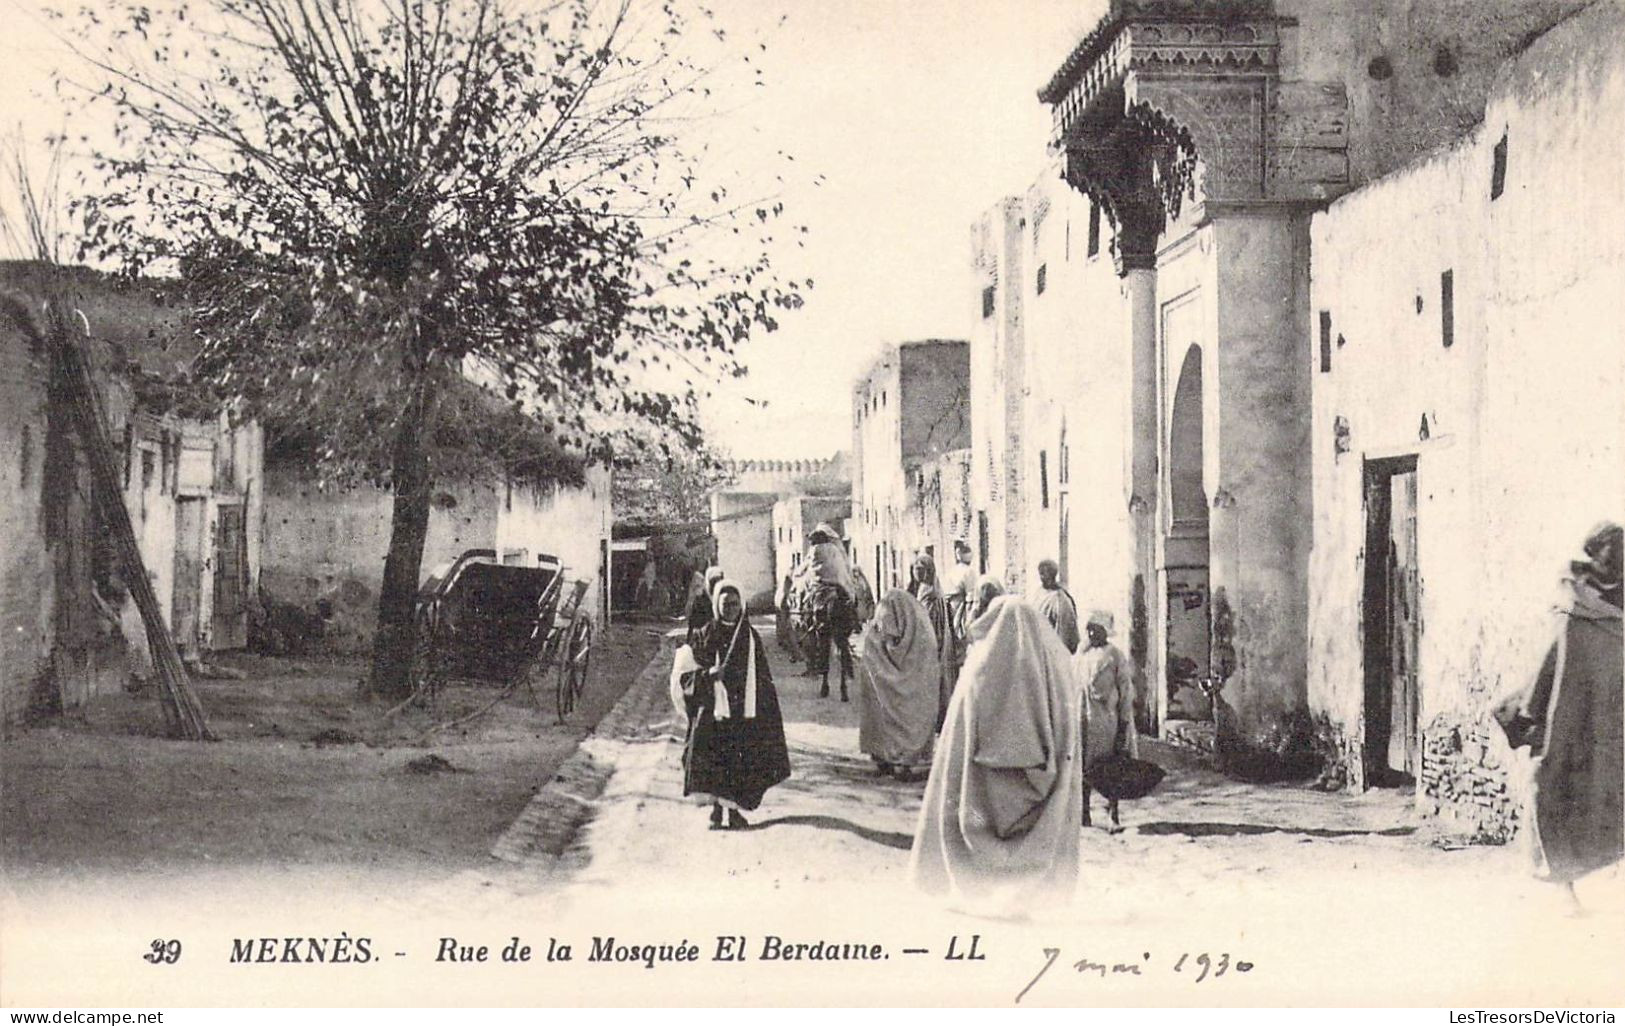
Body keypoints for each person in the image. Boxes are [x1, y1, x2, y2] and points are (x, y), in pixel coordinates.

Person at [908, 597, 1083, 913]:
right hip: (1044, 775)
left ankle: (977, 888)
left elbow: (959, 730)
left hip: (980, 781)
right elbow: (1067, 725)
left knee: (972, 819)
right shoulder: (1056, 663)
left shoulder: (980, 665)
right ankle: (1031, 894)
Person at [1494, 521, 1622, 910]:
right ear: (1595, 552)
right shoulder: (1571, 606)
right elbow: (1551, 662)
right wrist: (1532, 708)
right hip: (1568, 718)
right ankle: (1564, 887)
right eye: (1611, 549)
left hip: (1612, 719)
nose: (1618, 556)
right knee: (1556, 790)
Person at [683, 579, 792, 830]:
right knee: (714, 760)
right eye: (725, 604)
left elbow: (762, 678)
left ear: (741, 605)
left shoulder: (750, 637)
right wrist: (710, 674)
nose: (730, 609)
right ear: (716, 606)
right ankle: (716, 811)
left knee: (739, 761)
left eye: (734, 604)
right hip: (713, 712)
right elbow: (686, 677)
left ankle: (733, 813)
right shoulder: (703, 635)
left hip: (744, 711)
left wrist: (766, 711)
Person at [858, 588, 941, 782]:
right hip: (909, 672)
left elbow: (888, 642)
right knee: (895, 713)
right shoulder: (917, 619)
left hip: (894, 670)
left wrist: (880, 650)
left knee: (888, 711)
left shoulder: (888, 612)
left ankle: (895, 759)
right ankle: (889, 759)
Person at [1074, 610, 1139, 831]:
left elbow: (1125, 690)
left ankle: (1113, 814)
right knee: (1083, 767)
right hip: (1083, 717)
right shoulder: (1081, 654)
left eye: (1097, 629)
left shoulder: (1115, 656)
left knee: (1110, 768)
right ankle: (1084, 812)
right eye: (1089, 628)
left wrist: (1123, 722)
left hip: (1106, 720)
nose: (1092, 633)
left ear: (1105, 631)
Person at [796, 523, 856, 700]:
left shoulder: (814, 551)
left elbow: (807, 571)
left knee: (822, 639)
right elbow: (843, 571)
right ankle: (854, 622)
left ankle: (824, 682)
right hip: (838, 587)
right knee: (849, 600)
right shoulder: (836, 550)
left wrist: (797, 574)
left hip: (822, 590)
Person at [909, 554, 958, 733]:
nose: (917, 573)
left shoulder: (931, 593)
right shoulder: (923, 588)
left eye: (920, 570)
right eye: (915, 569)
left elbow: (929, 621)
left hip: (931, 642)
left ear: (928, 571)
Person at [1031, 559, 1081, 655]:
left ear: (1052, 575)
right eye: (1040, 574)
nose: (1041, 577)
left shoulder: (1060, 600)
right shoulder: (1039, 593)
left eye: (1044, 574)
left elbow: (1065, 634)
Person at [774, 572, 804, 663]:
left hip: (784, 618)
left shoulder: (780, 593)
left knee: (789, 637)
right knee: (791, 636)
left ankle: (794, 655)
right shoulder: (784, 594)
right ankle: (796, 655)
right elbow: (783, 609)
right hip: (786, 619)